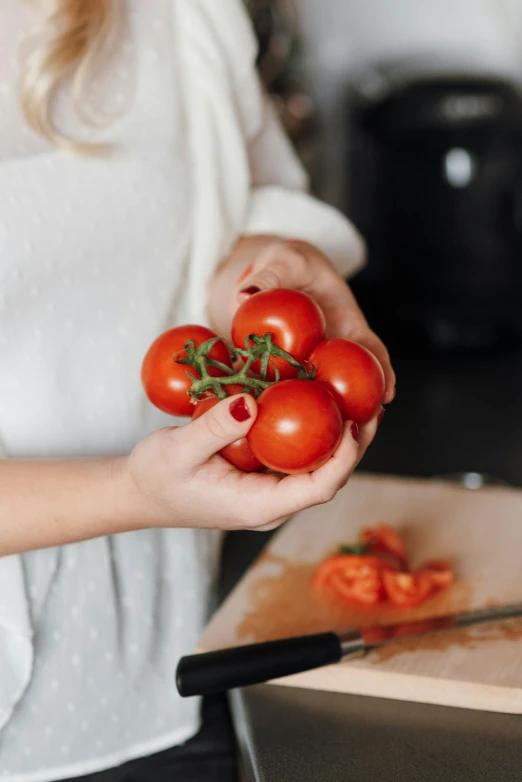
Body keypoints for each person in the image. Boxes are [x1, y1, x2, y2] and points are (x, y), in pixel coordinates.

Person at [0, 1, 395, 781]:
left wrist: (269, 277)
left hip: (172, 667)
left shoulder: (179, 11)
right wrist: (132, 492)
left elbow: (211, 227)